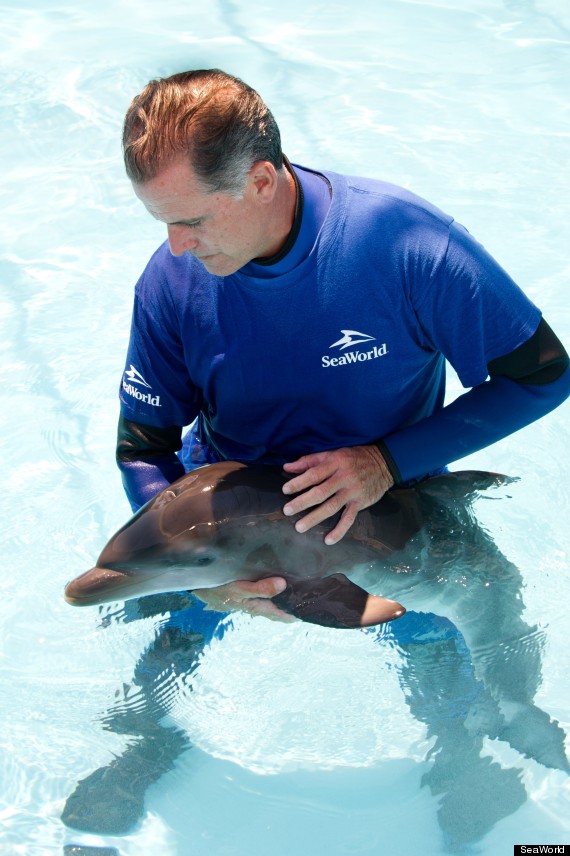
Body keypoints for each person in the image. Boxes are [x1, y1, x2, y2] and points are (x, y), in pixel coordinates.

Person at [116, 68, 570, 621]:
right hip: (223, 524)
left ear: (261, 182)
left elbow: (544, 375)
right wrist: (201, 581)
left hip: (394, 503)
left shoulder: (405, 245)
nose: (176, 246)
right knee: (143, 675)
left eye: (192, 220)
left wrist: (386, 461)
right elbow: (143, 449)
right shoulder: (171, 282)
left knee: (466, 657)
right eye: (162, 221)